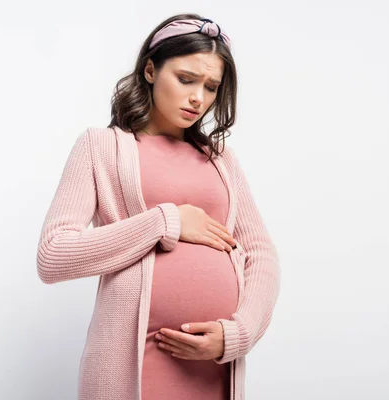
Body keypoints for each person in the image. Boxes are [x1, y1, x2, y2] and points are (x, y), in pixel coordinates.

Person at [36, 13, 280, 400]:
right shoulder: (101, 147)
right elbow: (53, 256)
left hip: (210, 371)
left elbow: (261, 256)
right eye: (185, 79)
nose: (199, 97)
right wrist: (166, 221)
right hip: (130, 367)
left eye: (212, 87)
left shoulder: (220, 159)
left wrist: (237, 334)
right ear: (150, 70)